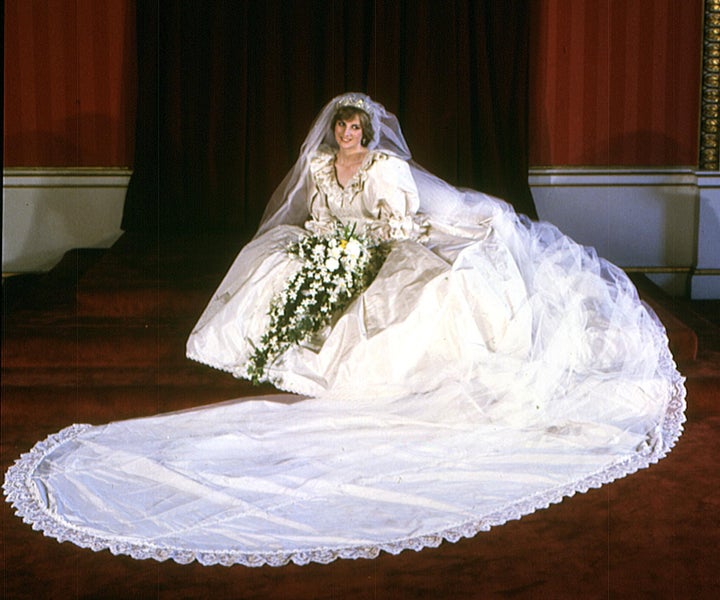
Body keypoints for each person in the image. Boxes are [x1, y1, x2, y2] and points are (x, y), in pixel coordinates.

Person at [5, 93, 685, 567]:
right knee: (273, 258)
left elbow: (396, 225)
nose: (349, 138)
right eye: (342, 130)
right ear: (334, 134)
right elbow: (315, 217)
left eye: (357, 129)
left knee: (419, 289)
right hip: (349, 243)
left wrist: (360, 248)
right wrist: (328, 247)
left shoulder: (389, 170)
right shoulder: (320, 168)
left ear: (370, 132)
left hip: (406, 233)